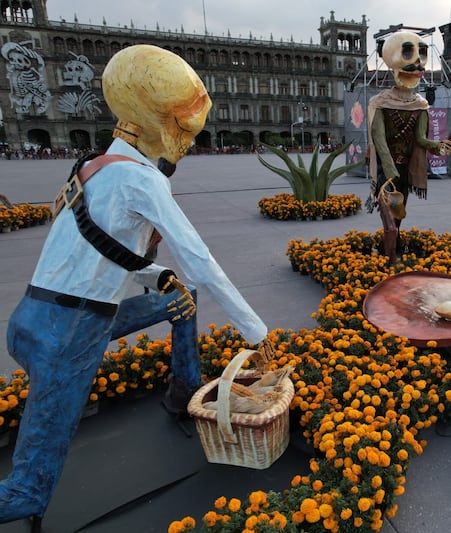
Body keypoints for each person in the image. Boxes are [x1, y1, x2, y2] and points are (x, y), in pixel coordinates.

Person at [0, 44, 274, 529]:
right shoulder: (142, 181)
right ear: (157, 123)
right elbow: (200, 261)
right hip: (71, 335)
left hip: (32, 319)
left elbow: (93, 252)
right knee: (26, 488)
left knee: (178, 302)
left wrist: (154, 276)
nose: (188, 142)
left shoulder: (91, 165)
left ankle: (184, 389)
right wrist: (256, 331)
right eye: (184, 128)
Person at [366, 31, 451, 263]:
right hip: (387, 174)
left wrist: (439, 147)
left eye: (420, 55)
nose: (416, 63)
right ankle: (390, 263)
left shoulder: (421, 105)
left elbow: (420, 140)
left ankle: (390, 253)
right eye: (408, 53)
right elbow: (379, 140)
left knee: (398, 217)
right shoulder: (380, 103)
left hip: (404, 172)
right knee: (390, 224)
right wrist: (388, 168)